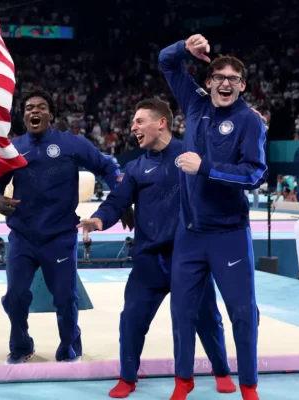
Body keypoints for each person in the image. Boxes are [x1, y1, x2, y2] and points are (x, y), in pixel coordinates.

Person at [78, 99, 235, 398]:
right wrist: (98, 220)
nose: (133, 127)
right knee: (132, 320)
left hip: (190, 259)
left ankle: (221, 370)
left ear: (161, 122)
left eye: (139, 121)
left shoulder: (192, 155)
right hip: (149, 261)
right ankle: (128, 377)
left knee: (206, 319)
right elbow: (117, 202)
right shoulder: (136, 167)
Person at [159, 34, 267, 400]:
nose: (225, 83)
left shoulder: (250, 121)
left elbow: (253, 173)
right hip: (190, 234)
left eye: (233, 79)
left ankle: (248, 386)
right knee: (181, 312)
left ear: (242, 85)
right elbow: (165, 62)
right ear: (208, 81)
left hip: (229, 234)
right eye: (218, 76)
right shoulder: (194, 104)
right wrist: (184, 49)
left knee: (242, 313)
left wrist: (205, 167)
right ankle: (183, 381)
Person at [0, 89, 121, 364]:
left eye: (41, 107)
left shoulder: (72, 144)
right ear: (23, 117)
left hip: (59, 235)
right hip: (23, 235)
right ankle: (22, 346)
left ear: (51, 115)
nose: (34, 111)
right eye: (29, 108)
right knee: (15, 296)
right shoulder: (12, 148)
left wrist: (118, 202)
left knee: (64, 298)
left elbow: (107, 167)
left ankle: (69, 347)